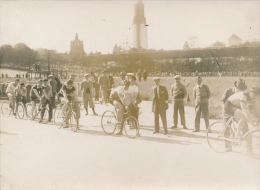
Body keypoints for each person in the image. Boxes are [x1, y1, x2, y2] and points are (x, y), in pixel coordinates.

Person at [223, 86, 259, 153]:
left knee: (245, 127)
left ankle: (249, 150)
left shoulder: (251, 98)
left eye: (256, 96)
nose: (255, 97)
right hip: (229, 105)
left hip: (236, 106)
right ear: (250, 93)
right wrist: (251, 120)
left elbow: (255, 110)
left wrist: (257, 118)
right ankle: (237, 135)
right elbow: (245, 110)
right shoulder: (244, 96)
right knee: (243, 116)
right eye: (254, 95)